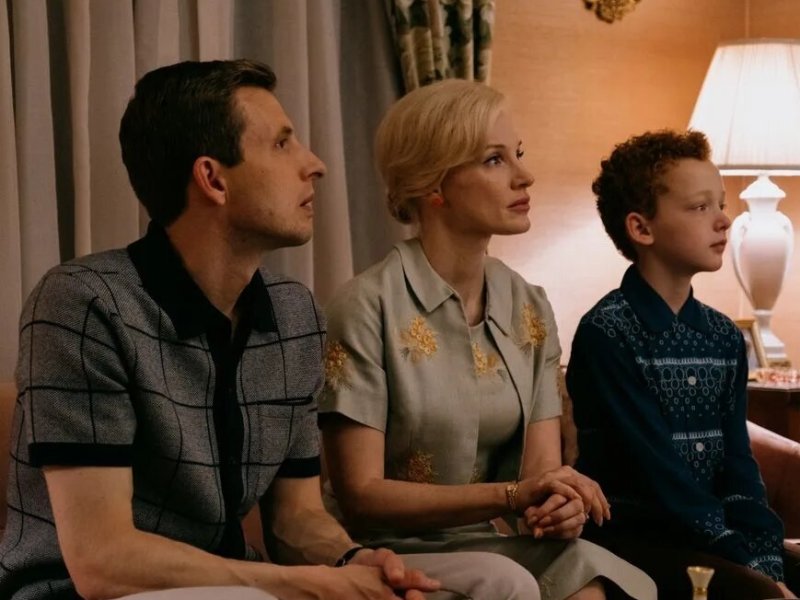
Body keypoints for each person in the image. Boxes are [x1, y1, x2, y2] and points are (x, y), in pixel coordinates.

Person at [0, 59, 538, 600]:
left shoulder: (293, 316)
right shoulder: (85, 304)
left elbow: (295, 517)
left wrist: (354, 561)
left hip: (244, 584)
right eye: (282, 144)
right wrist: (306, 584)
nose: (315, 164)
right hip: (78, 593)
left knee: (500, 581)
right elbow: (103, 561)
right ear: (213, 179)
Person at [318, 79, 657, 600]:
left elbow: (539, 476)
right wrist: (513, 495)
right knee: (513, 582)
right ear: (434, 184)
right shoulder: (366, 304)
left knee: (598, 575)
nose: (524, 176)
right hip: (379, 551)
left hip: (488, 546)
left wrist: (556, 506)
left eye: (517, 154)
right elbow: (360, 496)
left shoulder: (530, 307)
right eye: (494, 160)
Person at [566, 129, 797, 599]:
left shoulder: (724, 336)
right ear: (641, 229)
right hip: (637, 540)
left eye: (721, 204)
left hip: (715, 539)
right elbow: (660, 479)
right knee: (760, 594)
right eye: (700, 207)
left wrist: (764, 555)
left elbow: (739, 465)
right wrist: (751, 567)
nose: (724, 220)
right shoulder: (607, 333)